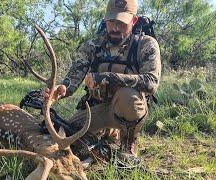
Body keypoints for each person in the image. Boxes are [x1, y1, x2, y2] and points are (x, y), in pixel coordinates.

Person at [45, 0, 161, 164]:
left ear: (133, 21)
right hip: (97, 108)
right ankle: (108, 133)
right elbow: (73, 78)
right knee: (66, 138)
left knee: (127, 95)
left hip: (127, 109)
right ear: (105, 20)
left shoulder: (146, 44)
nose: (115, 28)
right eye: (111, 21)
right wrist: (61, 89)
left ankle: (127, 145)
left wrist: (104, 77)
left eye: (121, 23)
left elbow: (151, 82)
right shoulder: (92, 45)